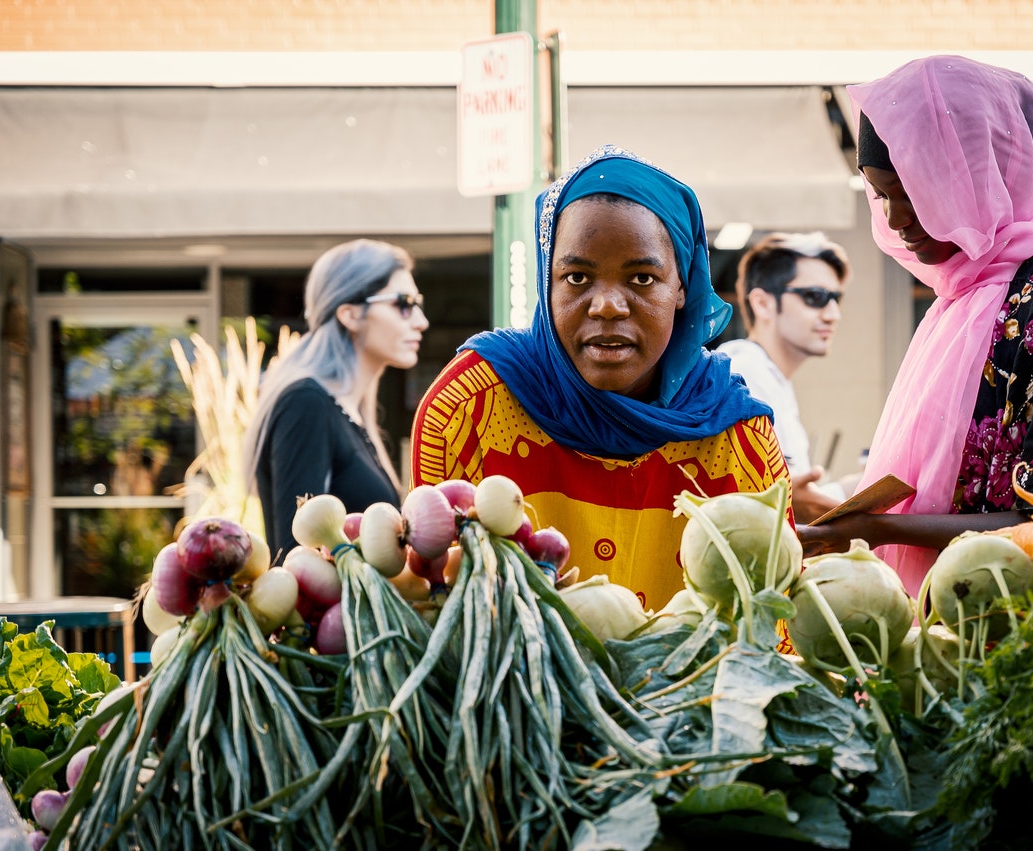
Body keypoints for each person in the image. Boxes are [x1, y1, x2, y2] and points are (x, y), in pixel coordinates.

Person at [799, 55, 1033, 595]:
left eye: (911, 193)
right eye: (882, 195)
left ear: (982, 176)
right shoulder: (962, 299)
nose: (893, 220)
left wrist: (877, 529)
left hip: (1028, 638)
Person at [411, 144, 789, 610]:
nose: (607, 305)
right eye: (576, 278)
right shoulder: (469, 407)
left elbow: (773, 628)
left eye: (642, 278)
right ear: (547, 283)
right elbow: (435, 597)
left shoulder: (734, 436)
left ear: (681, 287)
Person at [246, 239, 428, 556]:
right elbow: (297, 559)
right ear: (350, 314)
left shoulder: (349, 414)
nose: (420, 321)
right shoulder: (306, 404)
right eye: (404, 303)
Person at [717, 231, 851, 523]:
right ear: (763, 303)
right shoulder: (742, 376)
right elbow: (746, 508)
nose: (832, 314)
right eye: (815, 297)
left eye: (835, 299)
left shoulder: (767, 375)